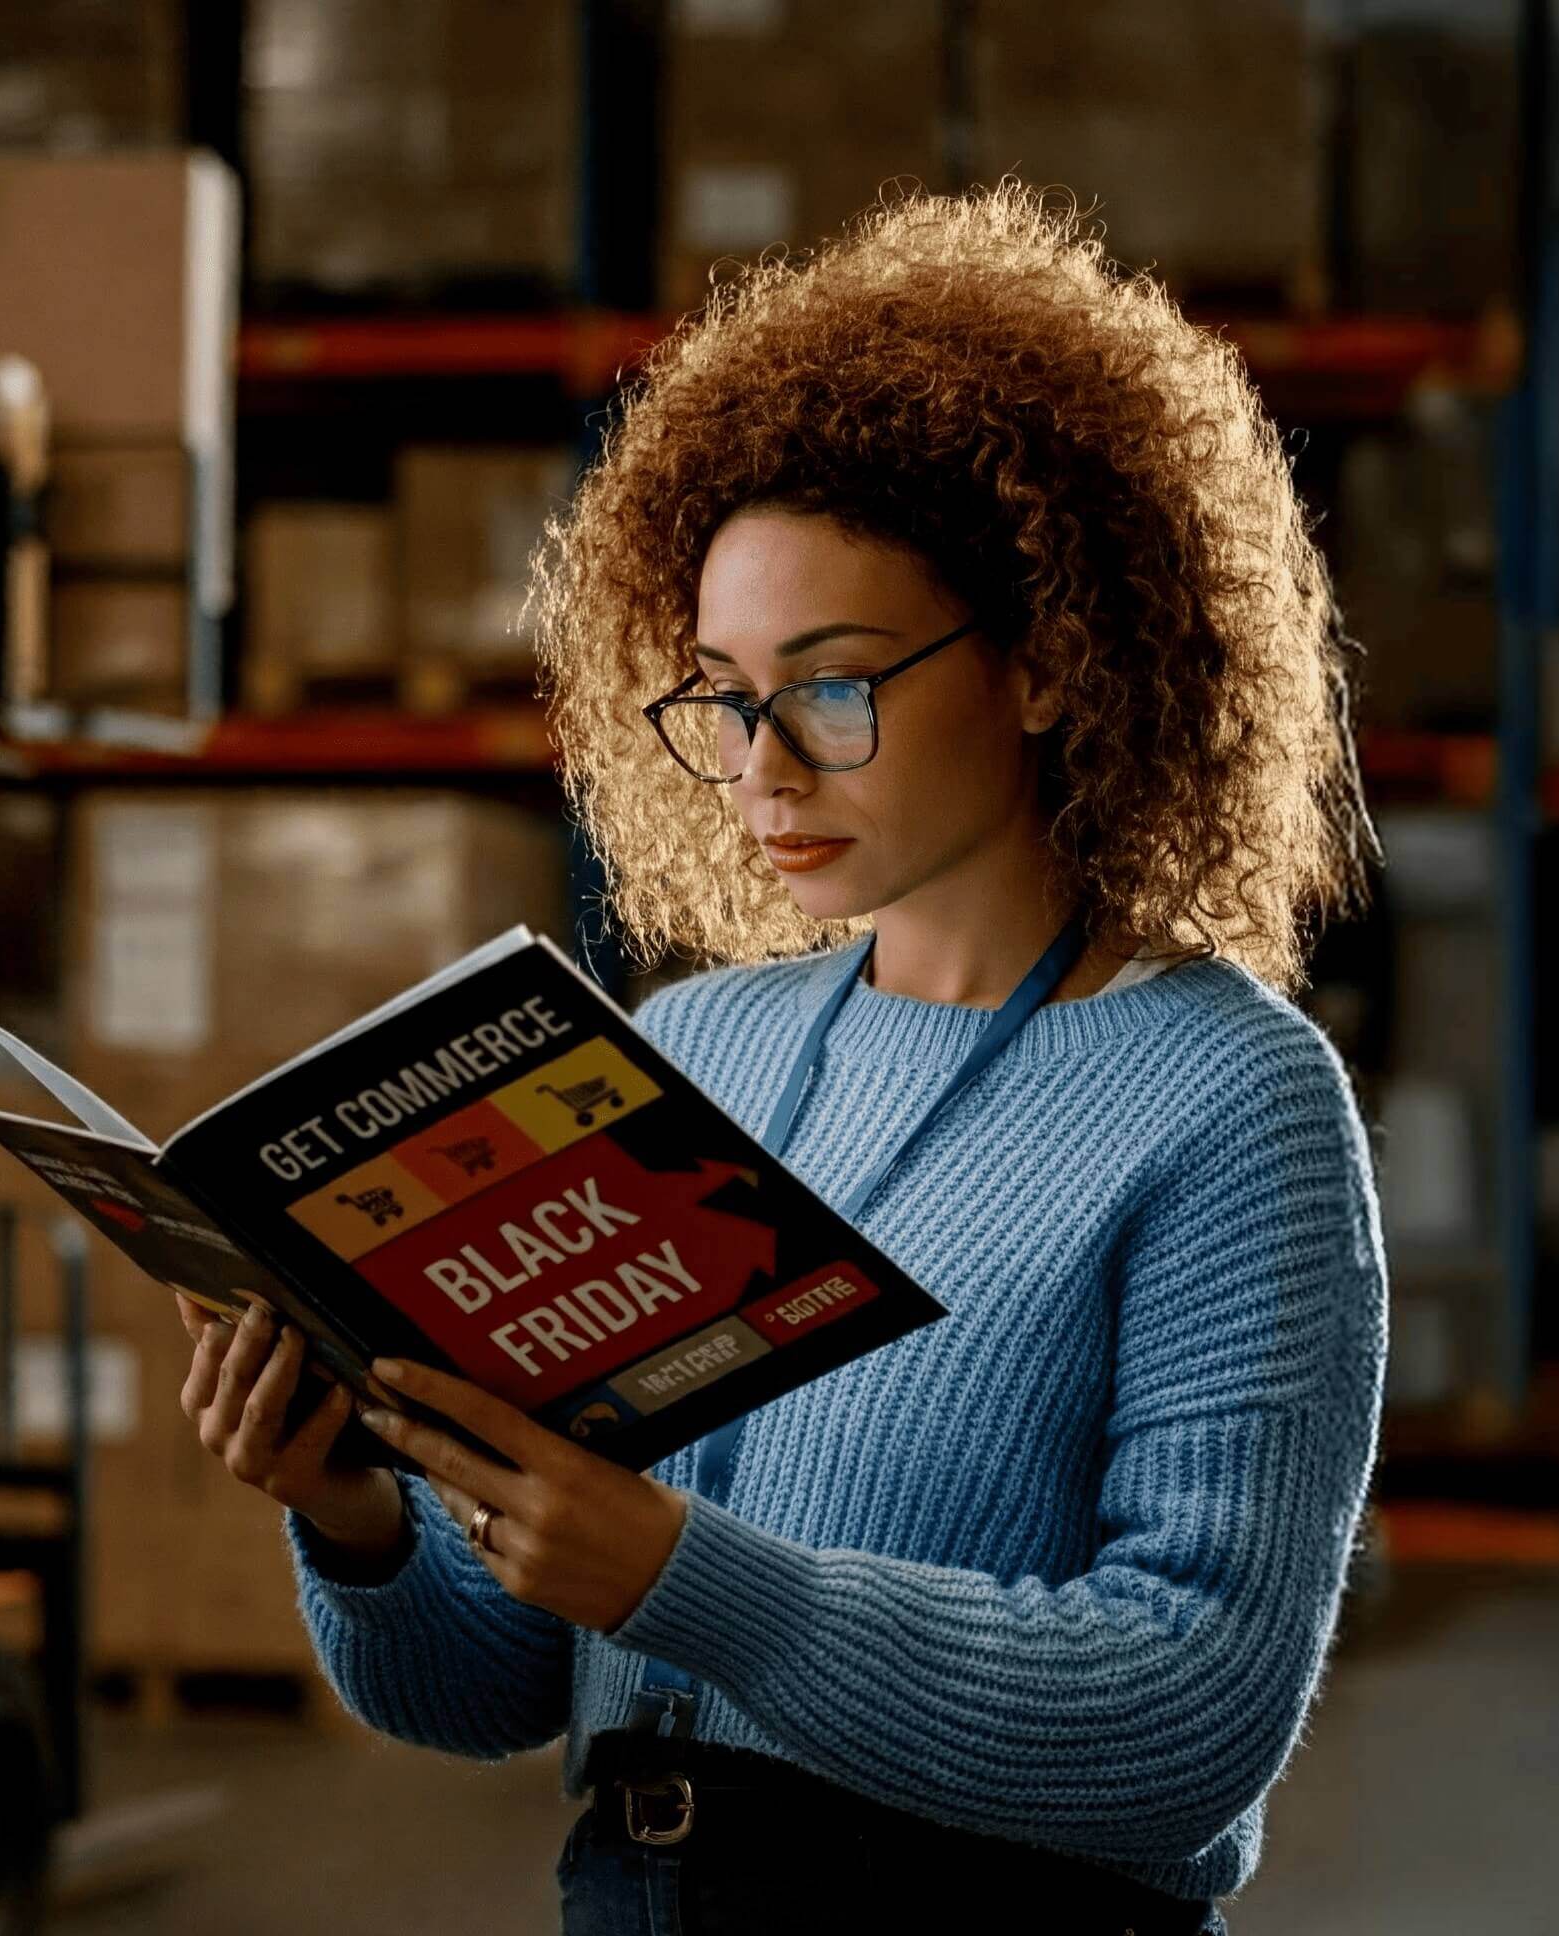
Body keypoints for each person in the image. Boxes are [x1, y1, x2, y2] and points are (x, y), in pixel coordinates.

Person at [177, 185, 1386, 1934]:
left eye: (834, 687)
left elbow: (1189, 1714)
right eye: (723, 697)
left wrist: (688, 1579)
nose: (761, 768)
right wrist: (353, 1511)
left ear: (1049, 662)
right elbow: (495, 1689)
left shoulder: (1226, 1103)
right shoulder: (694, 1052)